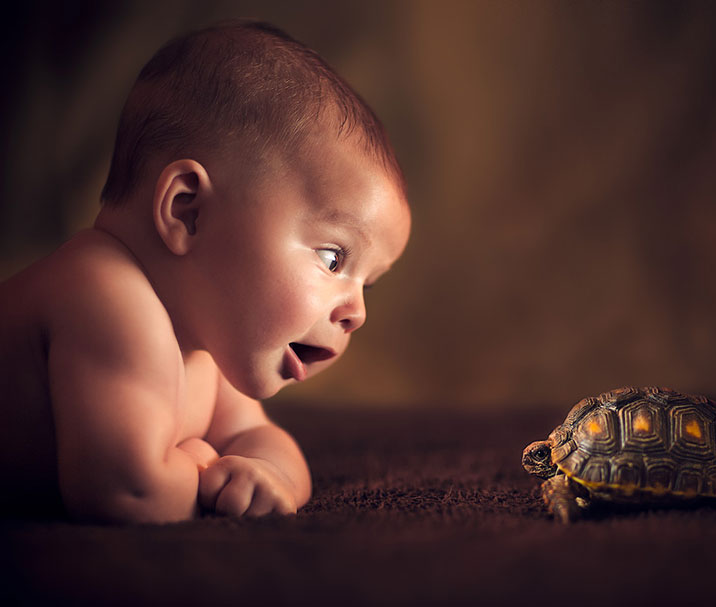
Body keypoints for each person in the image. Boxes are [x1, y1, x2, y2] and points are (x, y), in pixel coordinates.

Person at [0, 20, 411, 523]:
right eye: (333, 259)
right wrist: (202, 460)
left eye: (366, 284)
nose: (357, 313)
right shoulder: (104, 293)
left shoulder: (207, 341)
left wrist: (268, 473)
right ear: (187, 211)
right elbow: (129, 492)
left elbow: (262, 441)